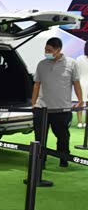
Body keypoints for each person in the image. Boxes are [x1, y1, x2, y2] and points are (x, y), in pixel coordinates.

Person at [32, 37, 84, 168]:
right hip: (42, 107)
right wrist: (33, 103)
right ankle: (39, 161)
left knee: (62, 136)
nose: (46, 52)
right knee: (39, 137)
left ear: (58, 49)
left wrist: (80, 100)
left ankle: (63, 158)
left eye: (49, 50)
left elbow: (76, 83)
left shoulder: (71, 64)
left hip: (61, 108)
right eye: (45, 49)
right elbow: (37, 85)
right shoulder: (41, 64)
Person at [76, 52, 88, 129]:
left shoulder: (79, 58)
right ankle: (80, 121)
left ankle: (84, 122)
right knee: (80, 102)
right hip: (81, 82)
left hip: (82, 82)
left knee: (84, 102)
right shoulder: (79, 58)